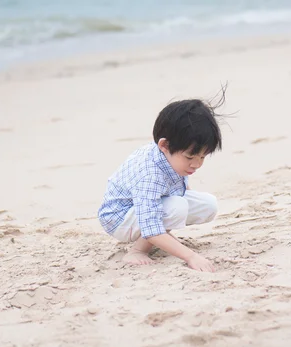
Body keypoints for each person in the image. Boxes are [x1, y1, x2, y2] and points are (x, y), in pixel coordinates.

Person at [97, 93, 226, 272]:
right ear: (164, 145)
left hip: (144, 208)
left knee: (208, 205)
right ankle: (137, 250)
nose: (197, 164)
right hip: (120, 218)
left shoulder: (171, 156)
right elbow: (150, 225)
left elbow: (180, 187)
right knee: (177, 208)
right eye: (190, 156)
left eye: (202, 156)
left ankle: (161, 237)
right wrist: (191, 256)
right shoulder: (149, 172)